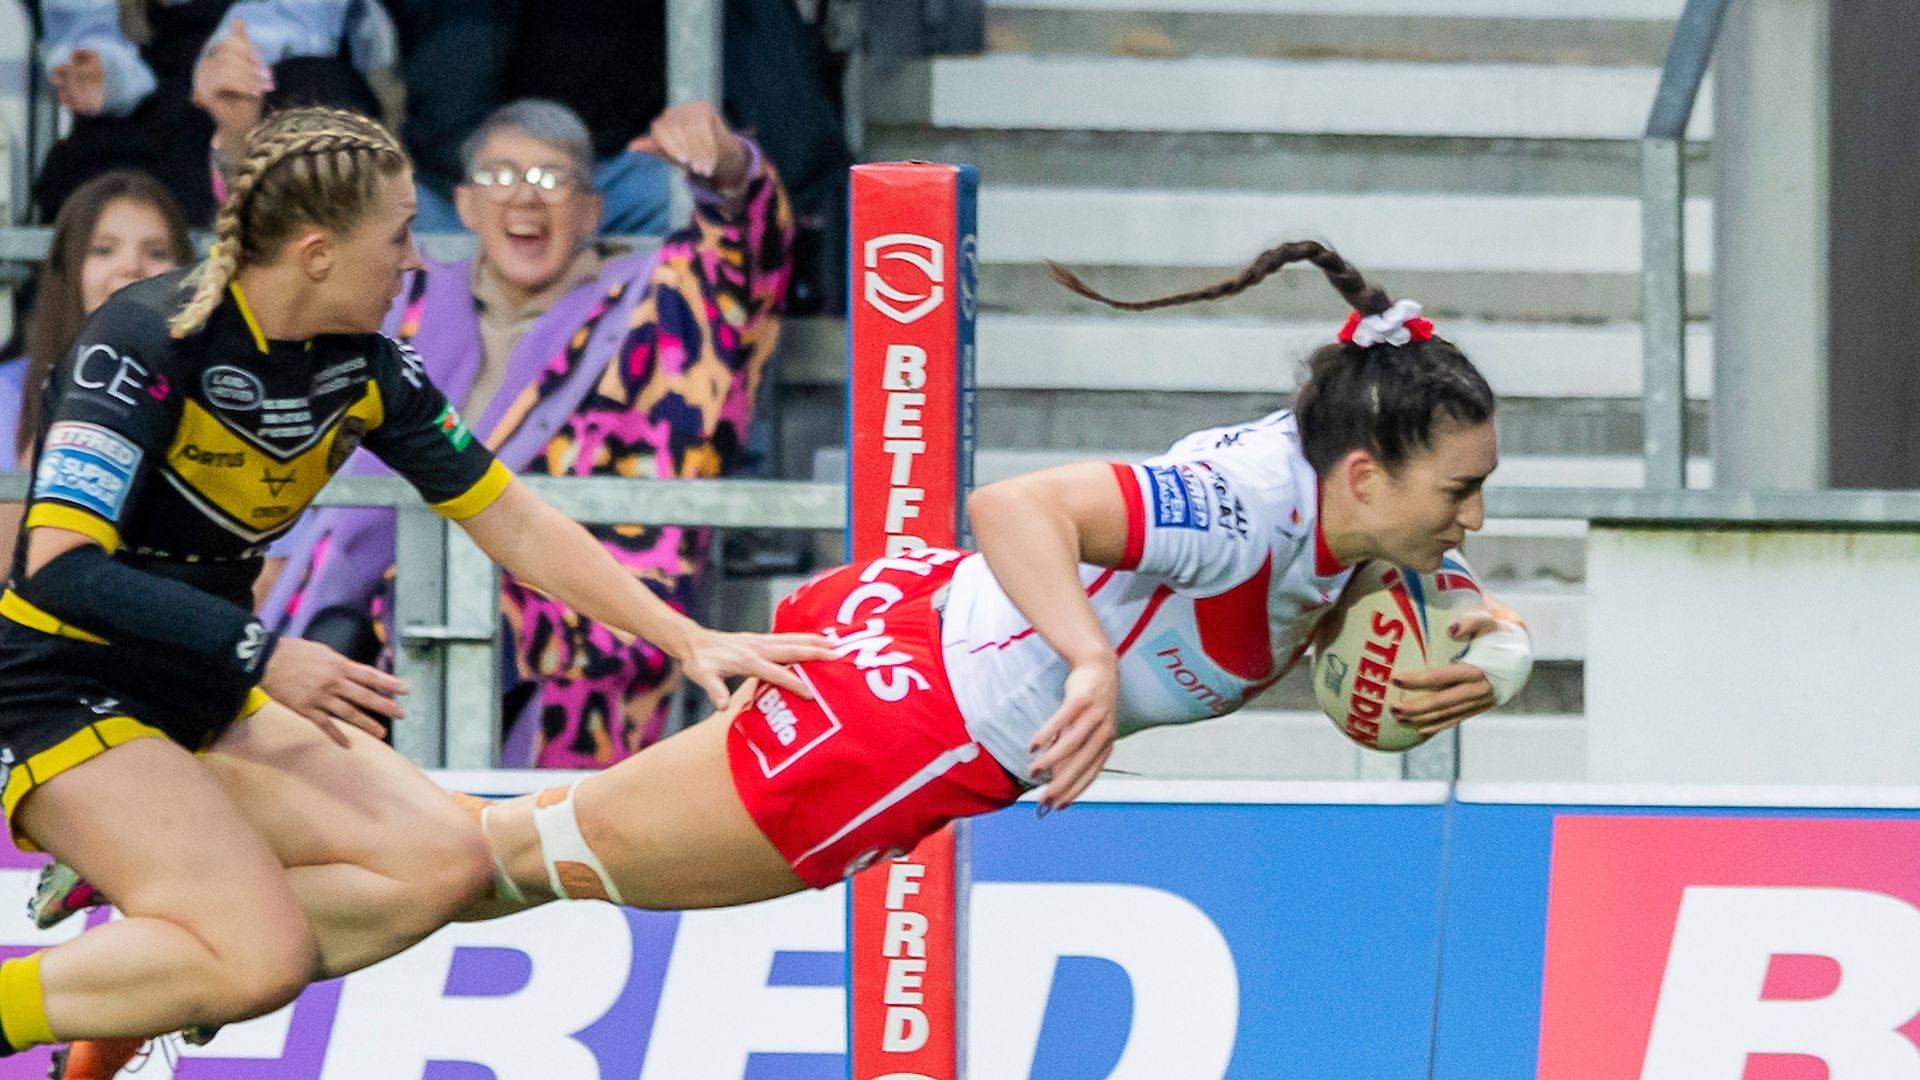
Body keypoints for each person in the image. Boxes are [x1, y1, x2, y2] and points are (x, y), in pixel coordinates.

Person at [0, 105, 826, 1076]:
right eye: (396, 236)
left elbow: (512, 522)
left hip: (203, 679)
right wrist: (261, 652)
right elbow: (58, 565)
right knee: (253, 958)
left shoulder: (369, 369)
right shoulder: (139, 339)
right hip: (67, 685)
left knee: (444, 865)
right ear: (316, 253)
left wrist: (684, 637)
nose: (412, 261)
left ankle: (150, 971)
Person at [456, 240, 1537, 914]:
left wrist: (1494, 651)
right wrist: (1089, 667)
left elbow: (1379, 594)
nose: (1474, 520)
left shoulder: (1339, 473)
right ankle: (295, 882)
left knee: (525, 863)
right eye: (1459, 492)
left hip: (927, 672)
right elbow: (1015, 508)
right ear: (1366, 473)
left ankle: (311, 869)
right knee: (514, 860)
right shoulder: (1244, 513)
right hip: (914, 723)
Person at [259, 96, 792, 767]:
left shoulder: (654, 302)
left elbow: (746, 255)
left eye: (551, 180)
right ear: (465, 205)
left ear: (592, 211)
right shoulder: (398, 298)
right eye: (501, 176)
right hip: (360, 611)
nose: (525, 199)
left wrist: (731, 168)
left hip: (588, 626)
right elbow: (280, 277)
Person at [35, 2, 393, 226]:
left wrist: (232, 61)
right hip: (154, 75)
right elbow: (80, 27)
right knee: (79, 174)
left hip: (285, 62)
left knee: (318, 109)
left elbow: (301, 14)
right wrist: (105, 70)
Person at [0, 170, 194, 573]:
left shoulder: (216, 395)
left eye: (157, 253)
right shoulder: (7, 393)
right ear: (67, 270)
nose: (131, 267)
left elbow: (263, 575)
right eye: (103, 250)